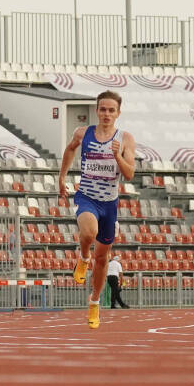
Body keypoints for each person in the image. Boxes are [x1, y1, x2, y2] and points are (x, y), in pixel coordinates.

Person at [57, 90, 136, 329]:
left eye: (111, 110)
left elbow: (130, 174)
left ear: (118, 113)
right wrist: (62, 178)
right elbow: (70, 149)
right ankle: (82, 257)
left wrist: (117, 157)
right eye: (103, 109)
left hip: (109, 204)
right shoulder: (83, 133)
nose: (106, 114)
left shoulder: (125, 139)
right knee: (88, 234)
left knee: (102, 260)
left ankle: (94, 302)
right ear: (97, 110)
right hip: (87, 197)